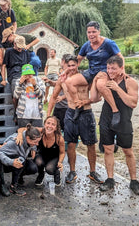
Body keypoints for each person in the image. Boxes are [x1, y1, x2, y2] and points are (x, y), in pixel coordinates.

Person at [87, 56, 139, 195]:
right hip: (106, 118)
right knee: (108, 150)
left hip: (123, 119)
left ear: (121, 68)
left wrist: (117, 89)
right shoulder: (106, 80)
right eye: (108, 68)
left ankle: (134, 181)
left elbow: (133, 103)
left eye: (113, 68)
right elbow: (94, 98)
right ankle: (110, 179)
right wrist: (95, 80)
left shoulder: (130, 82)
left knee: (128, 151)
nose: (110, 71)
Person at [49, 55, 103, 184]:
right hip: (71, 113)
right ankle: (72, 171)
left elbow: (98, 96)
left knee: (90, 144)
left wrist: (87, 100)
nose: (72, 68)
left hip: (86, 112)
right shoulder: (62, 80)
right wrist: (48, 115)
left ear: (77, 65)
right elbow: (53, 96)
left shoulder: (85, 78)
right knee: (71, 144)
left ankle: (93, 172)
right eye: (69, 66)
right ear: (65, 66)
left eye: (74, 65)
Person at [64, 21, 124, 128]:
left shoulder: (108, 43)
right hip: (91, 71)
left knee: (101, 85)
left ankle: (115, 111)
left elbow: (120, 56)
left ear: (99, 31)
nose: (91, 35)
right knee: (69, 82)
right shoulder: (86, 45)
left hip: (104, 71)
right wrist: (67, 72)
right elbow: (78, 59)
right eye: (89, 32)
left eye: (94, 32)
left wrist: (122, 70)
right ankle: (78, 105)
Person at [0, 124, 41, 196]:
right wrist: (11, 162)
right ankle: (12, 187)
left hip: (16, 159)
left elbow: (26, 130)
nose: (37, 144)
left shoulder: (29, 137)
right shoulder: (15, 141)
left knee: (33, 168)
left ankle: (18, 178)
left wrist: (33, 148)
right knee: (21, 159)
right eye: (35, 142)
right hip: (5, 164)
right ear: (27, 138)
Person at [16, 116, 66, 186]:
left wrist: (60, 162)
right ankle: (41, 174)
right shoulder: (40, 131)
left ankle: (57, 173)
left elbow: (62, 153)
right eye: (48, 123)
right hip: (41, 155)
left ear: (56, 128)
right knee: (37, 162)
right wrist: (20, 135)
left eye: (53, 124)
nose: (50, 126)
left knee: (50, 169)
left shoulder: (59, 139)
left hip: (54, 158)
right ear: (44, 124)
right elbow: (22, 129)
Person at [44, 54, 70, 131]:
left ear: (63, 62)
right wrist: (50, 82)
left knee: (68, 132)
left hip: (68, 108)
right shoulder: (62, 74)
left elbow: (75, 92)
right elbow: (58, 84)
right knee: (56, 131)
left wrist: (62, 97)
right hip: (58, 107)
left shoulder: (74, 75)